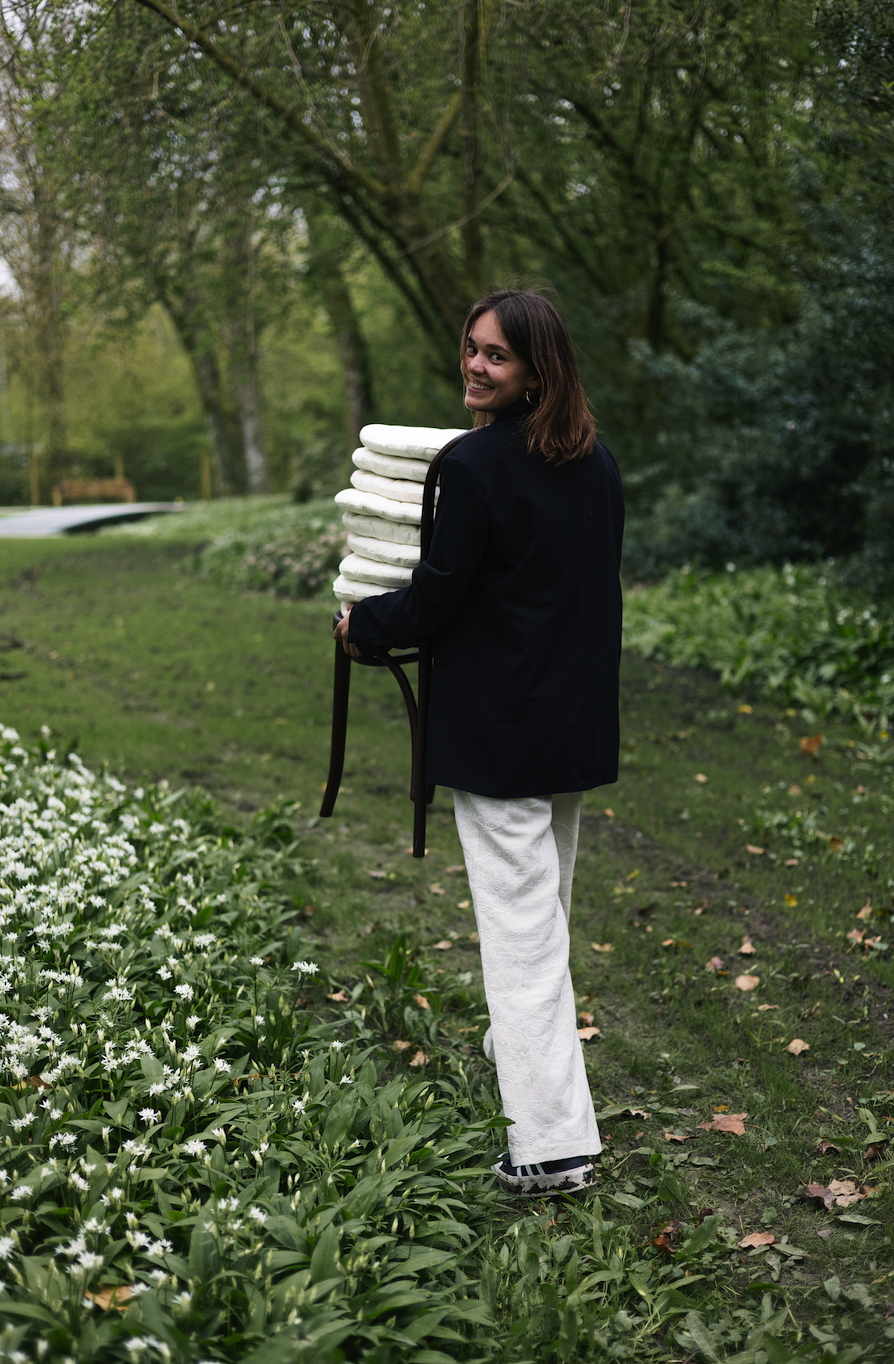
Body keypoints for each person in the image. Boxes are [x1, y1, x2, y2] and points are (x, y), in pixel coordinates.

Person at [335, 289, 624, 1196]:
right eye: (470, 349)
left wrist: (362, 625)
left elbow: (438, 596)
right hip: (569, 724)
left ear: (539, 369)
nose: (473, 365)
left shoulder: (470, 466)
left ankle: (550, 1146)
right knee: (545, 920)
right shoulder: (598, 464)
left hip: (504, 733)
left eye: (495, 356)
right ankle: (526, 1067)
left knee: (522, 937)